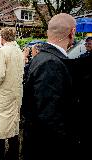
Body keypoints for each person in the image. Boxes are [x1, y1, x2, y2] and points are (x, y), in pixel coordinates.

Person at [22, 13, 79, 160]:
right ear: (72, 32)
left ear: (48, 32)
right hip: (48, 149)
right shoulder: (51, 63)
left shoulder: (41, 57)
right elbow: (49, 118)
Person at [0, 27, 24, 160]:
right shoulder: (19, 51)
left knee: (0, 127)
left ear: (2, 38)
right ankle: (13, 153)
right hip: (16, 94)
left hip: (3, 95)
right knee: (13, 124)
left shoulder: (2, 52)